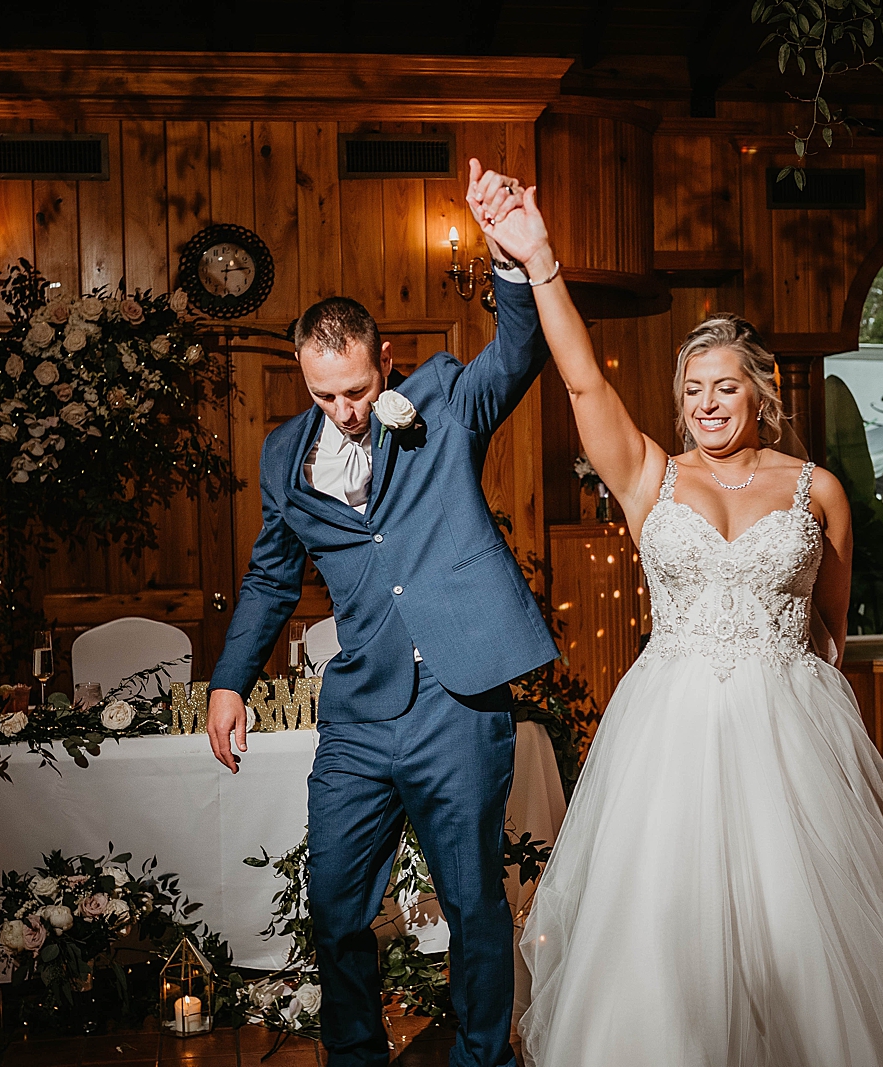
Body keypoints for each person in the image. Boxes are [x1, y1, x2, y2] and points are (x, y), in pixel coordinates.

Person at [485, 184, 883, 1065]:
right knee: (668, 930)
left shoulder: (816, 489)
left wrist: (794, 705)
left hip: (788, 734)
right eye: (692, 389)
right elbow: (583, 377)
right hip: (668, 731)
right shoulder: (647, 477)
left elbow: (833, 625)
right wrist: (539, 262)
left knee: (802, 934)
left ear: (760, 393)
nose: (706, 403)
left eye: (724, 387)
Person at [205, 160, 556, 1067]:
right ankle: (355, 1056)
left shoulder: (441, 398)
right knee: (333, 903)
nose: (346, 410)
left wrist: (512, 263)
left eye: (357, 390)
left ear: (383, 362)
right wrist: (228, 682)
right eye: (325, 394)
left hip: (456, 699)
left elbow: (517, 355)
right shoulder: (285, 457)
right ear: (302, 377)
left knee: (475, 902)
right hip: (360, 713)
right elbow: (271, 581)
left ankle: (486, 1058)